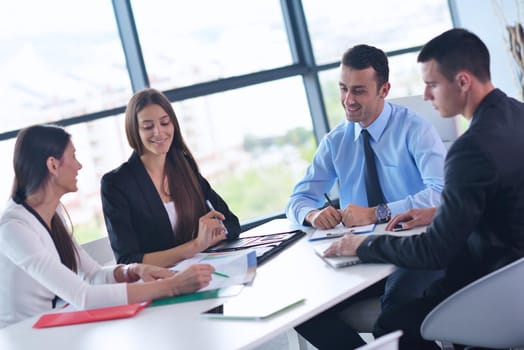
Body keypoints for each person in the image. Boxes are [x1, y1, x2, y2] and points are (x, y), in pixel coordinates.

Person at [324, 28, 524, 349]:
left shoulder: (469, 149)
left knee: (394, 323)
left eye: (432, 85)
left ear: (462, 81)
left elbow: (434, 251)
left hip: (493, 286)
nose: (426, 97)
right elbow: (505, 197)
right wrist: (438, 212)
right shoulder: (517, 114)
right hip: (516, 273)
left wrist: (361, 246)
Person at [290, 44, 447, 349]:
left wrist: (377, 212)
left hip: (415, 249)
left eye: (359, 91)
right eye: (343, 88)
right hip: (362, 254)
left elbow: (441, 193)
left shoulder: (415, 129)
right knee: (304, 311)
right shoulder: (336, 141)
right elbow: (298, 198)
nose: (348, 100)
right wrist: (312, 214)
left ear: (384, 89)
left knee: (394, 317)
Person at [0, 125, 217, 329]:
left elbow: (92, 275)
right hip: (26, 336)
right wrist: (173, 286)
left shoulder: (52, 212)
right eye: (73, 157)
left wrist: (131, 271)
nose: (79, 165)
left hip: (53, 327)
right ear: (53, 165)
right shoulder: (14, 228)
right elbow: (84, 296)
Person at [101, 88, 241, 267]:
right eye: (148, 126)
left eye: (165, 123)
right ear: (134, 130)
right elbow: (128, 261)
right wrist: (196, 245)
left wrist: (211, 236)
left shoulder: (184, 166)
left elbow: (232, 223)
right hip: (161, 283)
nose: (158, 132)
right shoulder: (117, 184)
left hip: (204, 270)